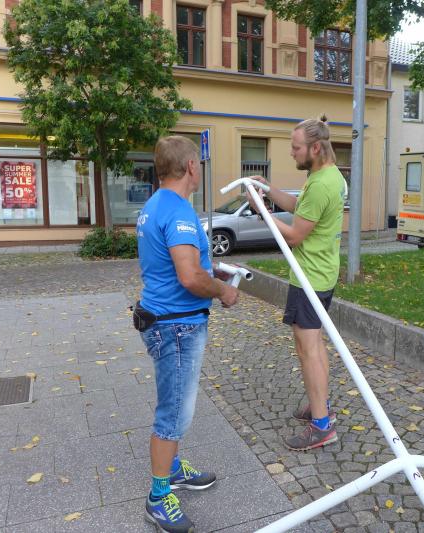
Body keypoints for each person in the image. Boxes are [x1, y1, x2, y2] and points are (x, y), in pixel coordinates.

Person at [136, 135, 239, 532]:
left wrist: (211, 272)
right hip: (177, 327)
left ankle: (174, 468)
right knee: (174, 413)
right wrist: (223, 290)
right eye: (200, 164)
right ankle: (158, 497)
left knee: (174, 402)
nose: (201, 170)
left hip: (163, 320)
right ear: (191, 167)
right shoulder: (178, 210)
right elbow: (190, 276)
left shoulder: (154, 205)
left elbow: (176, 266)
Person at [248, 116, 346, 451]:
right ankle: (322, 407)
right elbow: (300, 208)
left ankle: (321, 426)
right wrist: (269, 190)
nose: (291, 153)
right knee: (315, 345)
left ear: (315, 148)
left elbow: (293, 235)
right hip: (321, 273)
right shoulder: (328, 175)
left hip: (310, 277)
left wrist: (261, 210)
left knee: (308, 350)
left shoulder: (321, 184)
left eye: (296, 147)